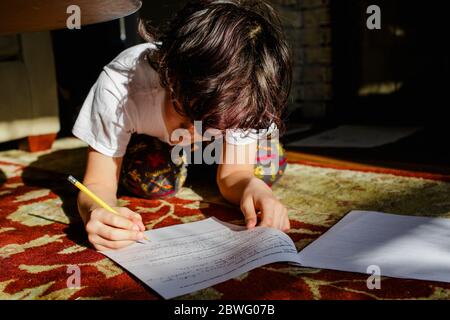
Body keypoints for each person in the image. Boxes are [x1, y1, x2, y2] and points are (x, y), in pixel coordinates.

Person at [72, 0, 292, 251]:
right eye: (185, 119)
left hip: (220, 147)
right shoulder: (121, 84)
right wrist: (96, 210)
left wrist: (250, 185)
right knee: (149, 178)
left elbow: (235, 173)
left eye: (208, 128)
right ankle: (195, 165)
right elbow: (98, 183)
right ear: (170, 78)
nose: (189, 135)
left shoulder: (242, 94)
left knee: (266, 166)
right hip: (156, 143)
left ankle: (211, 160)